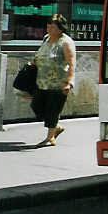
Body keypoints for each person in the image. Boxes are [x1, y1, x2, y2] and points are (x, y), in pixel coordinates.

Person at [30, 14, 76, 147]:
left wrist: (68, 83)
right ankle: (55, 127)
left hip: (58, 83)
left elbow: (72, 63)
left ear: (60, 28)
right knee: (36, 106)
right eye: (48, 25)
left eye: (52, 25)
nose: (48, 27)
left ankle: (50, 138)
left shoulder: (66, 42)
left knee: (52, 110)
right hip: (41, 81)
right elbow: (41, 54)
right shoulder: (46, 38)